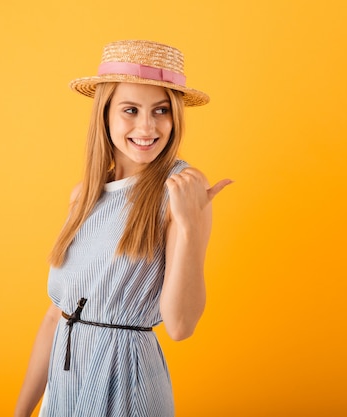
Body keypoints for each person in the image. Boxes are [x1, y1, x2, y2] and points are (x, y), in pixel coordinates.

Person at [14, 39, 231, 417]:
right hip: (65, 384)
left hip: (127, 385)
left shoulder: (181, 189)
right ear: (106, 115)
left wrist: (189, 223)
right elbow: (55, 316)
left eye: (160, 110)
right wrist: (21, 412)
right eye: (130, 110)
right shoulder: (83, 195)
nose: (147, 126)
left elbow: (180, 326)